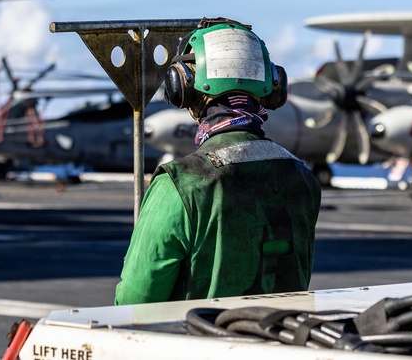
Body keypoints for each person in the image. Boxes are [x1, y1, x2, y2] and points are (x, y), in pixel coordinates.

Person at [114, 18, 322, 305]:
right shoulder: (304, 179)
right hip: (281, 345)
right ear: (272, 85)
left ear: (183, 88)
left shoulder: (179, 184)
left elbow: (134, 301)